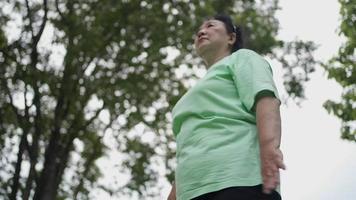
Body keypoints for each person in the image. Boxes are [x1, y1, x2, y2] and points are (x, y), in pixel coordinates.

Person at [167, 14, 285, 200]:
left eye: (210, 25)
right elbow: (188, 146)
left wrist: (269, 148)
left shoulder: (242, 59)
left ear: (231, 37)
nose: (201, 31)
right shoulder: (194, 91)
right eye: (199, 29)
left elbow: (265, 99)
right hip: (192, 191)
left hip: (239, 181)